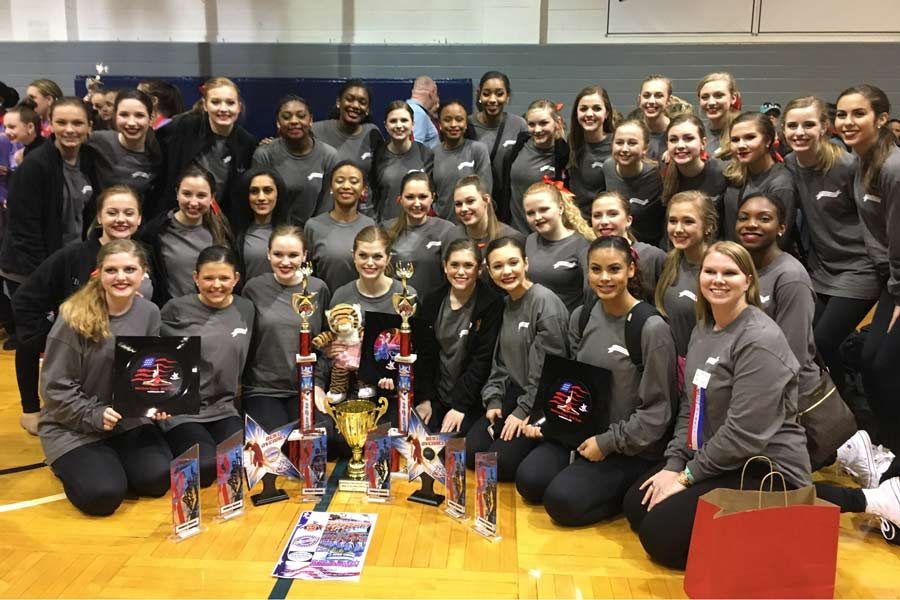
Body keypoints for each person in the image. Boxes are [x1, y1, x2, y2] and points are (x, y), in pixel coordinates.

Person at [623, 241, 811, 570]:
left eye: (730, 273)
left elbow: (744, 435)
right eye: (710, 272)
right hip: (719, 457)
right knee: (637, 505)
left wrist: (685, 478)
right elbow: (690, 405)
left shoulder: (759, 339)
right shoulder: (705, 328)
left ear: (748, 281)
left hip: (764, 467)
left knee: (660, 537)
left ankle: (774, 540)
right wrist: (674, 463)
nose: (718, 280)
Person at [516, 236, 676, 526]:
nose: (604, 278)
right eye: (596, 269)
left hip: (630, 448)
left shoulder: (651, 328)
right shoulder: (582, 316)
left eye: (614, 269)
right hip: (584, 433)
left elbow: (657, 412)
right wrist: (549, 421)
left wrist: (608, 442)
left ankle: (622, 489)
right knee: (529, 480)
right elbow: (575, 383)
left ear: (630, 270)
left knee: (561, 502)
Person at [39, 239, 172, 516]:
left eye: (129, 269)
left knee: (157, 479)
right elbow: (54, 389)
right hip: (73, 426)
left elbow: (149, 367)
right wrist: (94, 414)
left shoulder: (149, 312)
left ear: (143, 272)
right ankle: (69, 463)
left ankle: (113, 462)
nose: (121, 277)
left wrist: (159, 400)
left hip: (126, 421)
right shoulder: (73, 317)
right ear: (98, 273)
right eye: (112, 270)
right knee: (103, 496)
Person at [13, 185, 150, 435]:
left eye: (129, 213)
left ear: (139, 218)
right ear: (99, 217)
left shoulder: (145, 255)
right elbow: (25, 301)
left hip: (120, 385)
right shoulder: (73, 256)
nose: (121, 219)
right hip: (80, 381)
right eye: (112, 212)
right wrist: (50, 341)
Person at [781, 96, 881, 394]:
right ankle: (833, 402)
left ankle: (848, 410)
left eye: (808, 124)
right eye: (792, 125)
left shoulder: (847, 166)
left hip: (860, 268)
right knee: (808, 341)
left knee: (823, 341)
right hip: (822, 271)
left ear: (825, 127)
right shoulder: (789, 165)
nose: (799, 132)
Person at [465, 236, 569, 481]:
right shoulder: (505, 304)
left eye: (513, 263)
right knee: (472, 452)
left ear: (526, 264)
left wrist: (523, 411)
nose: (507, 271)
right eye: (498, 266)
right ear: (489, 272)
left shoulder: (545, 303)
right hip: (516, 393)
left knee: (500, 463)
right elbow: (500, 362)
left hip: (544, 401)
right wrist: (494, 400)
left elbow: (550, 373)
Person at [735, 194, 827, 459]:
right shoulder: (739, 269)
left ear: (781, 228)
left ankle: (850, 451)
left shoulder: (790, 277)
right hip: (750, 381)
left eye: (764, 219)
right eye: (744, 218)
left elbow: (792, 357)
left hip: (786, 393)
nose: (751, 224)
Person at [835, 84, 900, 459]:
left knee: (884, 367)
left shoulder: (892, 167)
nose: (847, 121)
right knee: (872, 364)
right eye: (842, 114)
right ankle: (889, 449)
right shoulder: (862, 161)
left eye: (858, 114)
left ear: (881, 118)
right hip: (891, 281)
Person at [158, 245, 253, 486]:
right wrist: (157, 402)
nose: (216, 285)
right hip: (183, 410)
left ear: (236, 279)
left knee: (239, 462)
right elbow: (153, 356)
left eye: (224, 278)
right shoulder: (174, 309)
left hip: (224, 409)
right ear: (195, 278)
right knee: (206, 467)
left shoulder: (246, 309)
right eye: (208, 278)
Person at [0, 97, 98, 302]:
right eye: (61, 123)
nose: (69, 130)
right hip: (30, 270)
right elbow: (25, 232)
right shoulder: (34, 166)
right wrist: (45, 278)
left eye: (77, 123)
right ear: (50, 124)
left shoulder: (89, 159)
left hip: (66, 263)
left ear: (89, 126)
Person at [242, 225, 331, 431]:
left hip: (305, 386)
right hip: (263, 389)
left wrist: (317, 383)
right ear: (268, 254)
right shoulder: (253, 288)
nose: (285, 262)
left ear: (304, 256)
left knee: (324, 439)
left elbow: (325, 342)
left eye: (293, 255)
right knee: (277, 443)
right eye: (278, 254)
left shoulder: (318, 289)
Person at [415, 239, 503, 435]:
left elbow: (482, 361)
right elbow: (424, 355)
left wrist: (460, 406)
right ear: (445, 266)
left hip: (470, 399)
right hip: (436, 395)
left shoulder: (491, 304)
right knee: (415, 439)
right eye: (454, 265)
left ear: (479, 269)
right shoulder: (432, 300)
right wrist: (425, 399)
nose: (461, 272)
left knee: (453, 448)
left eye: (468, 265)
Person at [156, 76, 258, 221]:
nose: (223, 109)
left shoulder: (247, 143)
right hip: (175, 217)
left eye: (230, 103)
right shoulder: (183, 127)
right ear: (205, 105)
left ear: (239, 107)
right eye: (215, 102)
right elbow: (152, 141)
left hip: (220, 221)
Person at [139, 165, 234, 307]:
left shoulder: (222, 230)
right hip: (174, 317)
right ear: (177, 194)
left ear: (212, 197)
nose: (193, 202)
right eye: (187, 194)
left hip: (215, 314)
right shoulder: (156, 231)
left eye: (201, 195)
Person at [251, 95, 338, 224]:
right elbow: (260, 201)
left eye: (301, 116)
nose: (294, 121)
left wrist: (313, 233)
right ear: (278, 122)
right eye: (286, 117)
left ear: (311, 120)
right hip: (275, 231)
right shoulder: (264, 155)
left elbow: (327, 205)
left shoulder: (329, 155)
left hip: (314, 231)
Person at [655, 191, 718, 361]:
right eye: (673, 221)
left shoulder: (719, 270)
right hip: (670, 364)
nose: (678, 229)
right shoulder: (669, 262)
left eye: (688, 221)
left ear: (709, 226)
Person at [720, 112, 797, 248]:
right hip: (733, 258)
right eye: (735, 140)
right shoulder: (733, 174)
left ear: (768, 140)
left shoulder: (781, 184)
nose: (741, 145)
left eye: (750, 137)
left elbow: (779, 242)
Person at [497, 99, 570, 234]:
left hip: (547, 235)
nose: (537, 130)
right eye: (531, 124)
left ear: (557, 123)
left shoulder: (564, 156)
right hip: (515, 232)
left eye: (543, 123)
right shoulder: (517, 148)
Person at [304, 161, 377, 293]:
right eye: (339, 181)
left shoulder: (370, 225)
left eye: (354, 181)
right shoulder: (313, 226)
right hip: (324, 306)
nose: (346, 186)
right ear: (331, 187)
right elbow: (307, 274)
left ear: (363, 189)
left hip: (361, 307)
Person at [522, 181, 594, 312]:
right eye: (530, 213)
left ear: (560, 208)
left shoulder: (582, 244)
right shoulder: (530, 240)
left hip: (569, 323)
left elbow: (592, 293)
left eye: (544, 209)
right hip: (537, 321)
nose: (537, 217)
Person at [386, 171, 457, 303]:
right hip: (395, 309)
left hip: (433, 312)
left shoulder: (447, 230)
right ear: (400, 199)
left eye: (423, 197)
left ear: (432, 197)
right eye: (410, 197)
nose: (417, 203)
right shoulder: (385, 230)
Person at [87, 89, 162, 207]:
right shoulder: (97, 140)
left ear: (151, 119)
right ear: (115, 116)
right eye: (124, 115)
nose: (131, 123)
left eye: (139, 115)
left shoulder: (158, 155)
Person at [591, 191, 665, 301]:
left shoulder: (653, 257)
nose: (604, 221)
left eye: (612, 214)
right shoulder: (588, 256)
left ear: (628, 220)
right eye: (597, 216)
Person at [601, 120, 664, 246]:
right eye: (619, 142)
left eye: (632, 143)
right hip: (618, 244)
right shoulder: (607, 167)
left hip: (650, 246)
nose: (624, 149)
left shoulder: (658, 175)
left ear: (645, 148)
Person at [370, 101, 434, 222]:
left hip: (419, 227)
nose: (399, 125)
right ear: (385, 125)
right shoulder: (377, 155)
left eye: (404, 120)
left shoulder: (426, 154)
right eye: (393, 121)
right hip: (387, 228)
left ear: (413, 124)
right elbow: (372, 197)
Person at [468, 71, 529, 198]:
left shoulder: (519, 125)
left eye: (499, 94)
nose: (492, 100)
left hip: (508, 201)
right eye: (486, 94)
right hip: (475, 199)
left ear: (508, 96)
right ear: (478, 94)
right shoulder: (466, 125)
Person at [431, 100, 492, 219]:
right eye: (447, 120)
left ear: (466, 124)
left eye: (459, 119)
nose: (454, 124)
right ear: (440, 124)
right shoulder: (433, 153)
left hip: (472, 222)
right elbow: (431, 194)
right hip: (443, 225)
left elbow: (486, 190)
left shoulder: (478, 150)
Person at [311, 79, 383, 179]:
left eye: (362, 102)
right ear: (338, 102)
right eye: (349, 99)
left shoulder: (372, 132)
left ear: (367, 110)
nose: (355, 106)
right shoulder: (316, 130)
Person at [233, 167, 290, 282]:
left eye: (268, 190)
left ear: (278, 193)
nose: (261, 198)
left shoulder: (293, 233)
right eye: (254, 191)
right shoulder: (233, 233)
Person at [568, 85, 615, 217]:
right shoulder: (571, 142)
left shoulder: (617, 144)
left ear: (606, 113)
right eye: (583, 109)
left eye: (597, 108)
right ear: (576, 113)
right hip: (577, 222)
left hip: (604, 221)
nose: (589, 114)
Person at [662, 114, 728, 207]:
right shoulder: (662, 177)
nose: (680, 145)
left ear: (703, 143)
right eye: (673, 140)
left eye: (689, 138)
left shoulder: (722, 175)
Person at [451, 175, 524, 250]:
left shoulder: (512, 238)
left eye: (470, 201)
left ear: (486, 200)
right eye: (458, 204)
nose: (464, 209)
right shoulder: (451, 237)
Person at [696, 72, 740, 158]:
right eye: (705, 97)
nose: (711, 102)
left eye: (718, 96)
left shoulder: (746, 132)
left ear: (733, 98)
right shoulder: (696, 133)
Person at [638, 75, 672, 161]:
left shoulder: (679, 133)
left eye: (658, 95)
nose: (651, 101)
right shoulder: (632, 132)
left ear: (668, 101)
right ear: (639, 99)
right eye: (646, 95)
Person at [2, 100, 44, 167]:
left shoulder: (43, 153)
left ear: (30, 127)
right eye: (5, 127)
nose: (6, 132)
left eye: (12, 127)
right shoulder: (26, 151)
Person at [407, 76, 440, 148]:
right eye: (436, 94)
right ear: (432, 92)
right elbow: (414, 148)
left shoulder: (408, 108)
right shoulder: (418, 113)